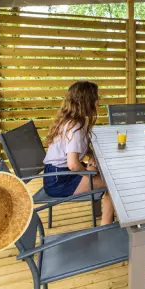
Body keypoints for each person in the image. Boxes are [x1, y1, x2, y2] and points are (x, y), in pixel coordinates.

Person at [42, 81, 114, 225]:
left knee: (107, 173)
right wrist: (89, 173)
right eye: (96, 97)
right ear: (87, 100)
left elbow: (80, 147)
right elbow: (73, 165)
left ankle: (110, 216)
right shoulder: (74, 127)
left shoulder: (75, 121)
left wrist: (91, 156)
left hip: (58, 173)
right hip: (59, 180)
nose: (99, 100)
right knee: (113, 184)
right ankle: (106, 226)